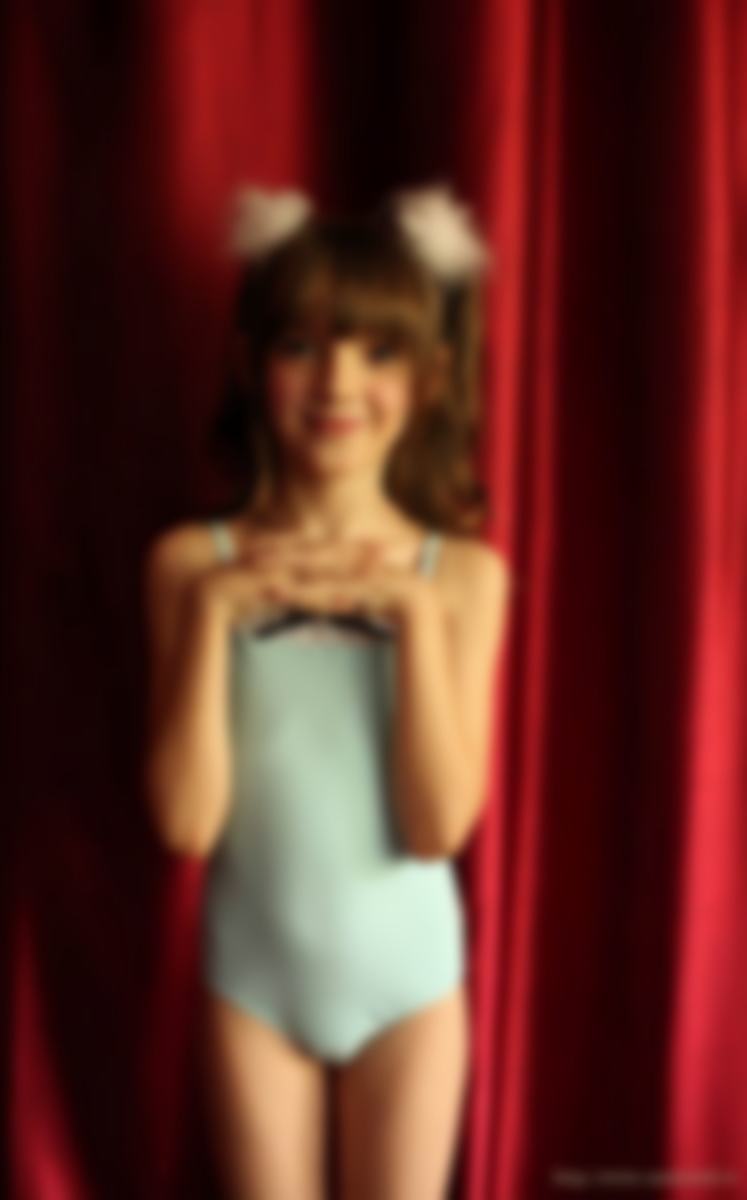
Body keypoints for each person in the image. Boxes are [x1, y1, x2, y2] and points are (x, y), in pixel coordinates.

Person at [142, 182, 512, 1200]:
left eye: (378, 352)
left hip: (410, 996)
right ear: (250, 366)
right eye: (301, 346)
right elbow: (184, 824)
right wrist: (212, 614)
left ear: (429, 378)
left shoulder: (463, 577)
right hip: (250, 991)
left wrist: (416, 619)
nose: (338, 382)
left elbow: (436, 829)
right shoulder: (189, 565)